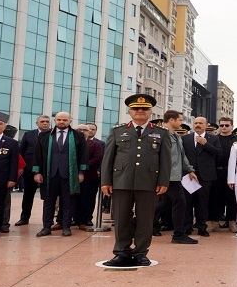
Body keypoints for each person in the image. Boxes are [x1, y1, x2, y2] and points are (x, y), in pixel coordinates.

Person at [101, 94, 171, 266]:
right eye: (136, 109)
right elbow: (108, 159)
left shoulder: (160, 133)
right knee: (121, 218)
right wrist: (106, 181)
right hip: (121, 181)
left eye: (144, 109)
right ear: (130, 111)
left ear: (150, 112)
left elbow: (166, 160)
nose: (140, 111)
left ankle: (140, 252)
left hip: (149, 182)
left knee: (145, 220)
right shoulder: (117, 131)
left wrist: (163, 181)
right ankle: (121, 252)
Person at [32, 112, 89, 237]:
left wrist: (81, 172)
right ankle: (46, 227)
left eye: (64, 119)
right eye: (59, 119)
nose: (61, 122)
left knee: (68, 202)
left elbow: (83, 155)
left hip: (69, 174)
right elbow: (37, 155)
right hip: (49, 174)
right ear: (55, 120)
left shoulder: (77, 135)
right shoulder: (45, 135)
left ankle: (66, 226)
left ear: (70, 120)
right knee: (48, 201)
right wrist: (37, 172)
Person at [155, 110, 199, 244]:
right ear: (171, 120)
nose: (182, 122)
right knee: (180, 202)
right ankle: (178, 235)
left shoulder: (176, 136)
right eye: (180, 120)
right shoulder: (161, 135)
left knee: (166, 204)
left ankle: (135, 223)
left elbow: (182, 156)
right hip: (167, 176)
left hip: (175, 175)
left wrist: (190, 170)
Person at [182, 117, 222, 236]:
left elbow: (219, 153)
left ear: (206, 125)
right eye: (196, 123)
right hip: (189, 175)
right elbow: (181, 156)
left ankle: (201, 227)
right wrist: (187, 170)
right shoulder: (185, 138)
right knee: (187, 202)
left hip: (206, 176)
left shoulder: (213, 139)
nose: (198, 125)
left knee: (202, 202)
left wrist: (205, 144)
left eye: (200, 123)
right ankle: (187, 226)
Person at [16, 115, 51, 226]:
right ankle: (24, 218)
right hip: (29, 170)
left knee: (50, 195)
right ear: (37, 123)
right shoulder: (28, 134)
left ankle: (48, 220)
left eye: (47, 121)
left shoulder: (54, 134)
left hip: (48, 170)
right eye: (42, 121)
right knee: (28, 195)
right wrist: (21, 168)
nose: (45, 123)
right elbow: (21, 152)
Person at [211, 117, 237, 232]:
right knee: (216, 197)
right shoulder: (213, 139)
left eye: (227, 125)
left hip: (233, 172)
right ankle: (214, 222)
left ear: (232, 126)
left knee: (232, 198)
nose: (224, 127)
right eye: (221, 125)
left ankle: (232, 222)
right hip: (217, 171)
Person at [73, 124, 103, 230]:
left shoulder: (95, 144)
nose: (82, 132)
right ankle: (74, 219)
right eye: (79, 129)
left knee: (87, 199)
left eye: (84, 130)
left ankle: (85, 219)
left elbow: (97, 157)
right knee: (73, 198)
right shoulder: (71, 143)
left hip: (90, 176)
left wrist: (83, 166)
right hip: (72, 175)